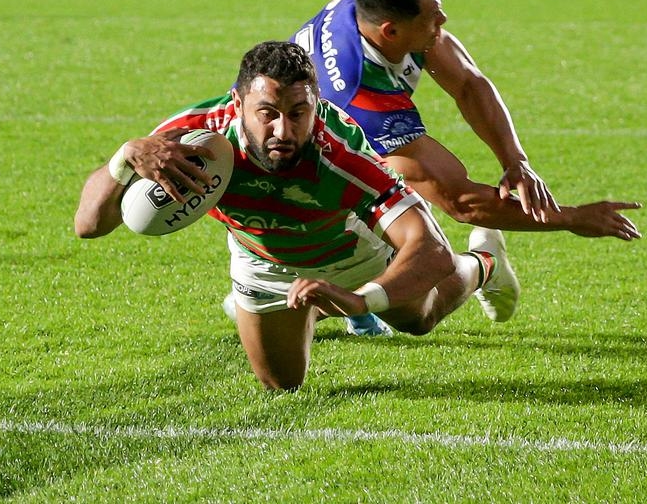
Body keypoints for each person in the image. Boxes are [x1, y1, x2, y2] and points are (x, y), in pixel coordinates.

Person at [75, 41, 522, 391]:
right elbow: (89, 225)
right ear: (237, 104)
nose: (283, 131)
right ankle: (315, 307)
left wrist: (362, 299)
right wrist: (124, 157)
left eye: (298, 113)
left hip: (349, 249)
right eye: (267, 114)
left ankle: (484, 262)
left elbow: (430, 250)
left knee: (418, 319)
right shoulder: (192, 139)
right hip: (262, 257)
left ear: (315, 104)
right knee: (282, 383)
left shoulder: (341, 157)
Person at [289, 0, 641, 333]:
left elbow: (469, 84)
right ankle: (485, 261)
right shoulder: (362, 100)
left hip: (323, 168)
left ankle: (352, 289)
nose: (443, 20)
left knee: (380, 298)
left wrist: (515, 161)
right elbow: (460, 200)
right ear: (390, 32)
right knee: (417, 313)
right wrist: (570, 218)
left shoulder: (367, 4)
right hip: (301, 189)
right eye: (432, 17)